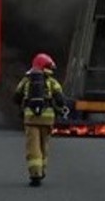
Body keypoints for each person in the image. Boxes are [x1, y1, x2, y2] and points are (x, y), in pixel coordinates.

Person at [13, 52, 67, 187]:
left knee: (33, 146)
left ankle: (35, 173)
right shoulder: (52, 82)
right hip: (48, 120)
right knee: (44, 146)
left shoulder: (26, 80)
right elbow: (61, 100)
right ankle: (42, 169)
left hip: (31, 119)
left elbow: (16, 97)